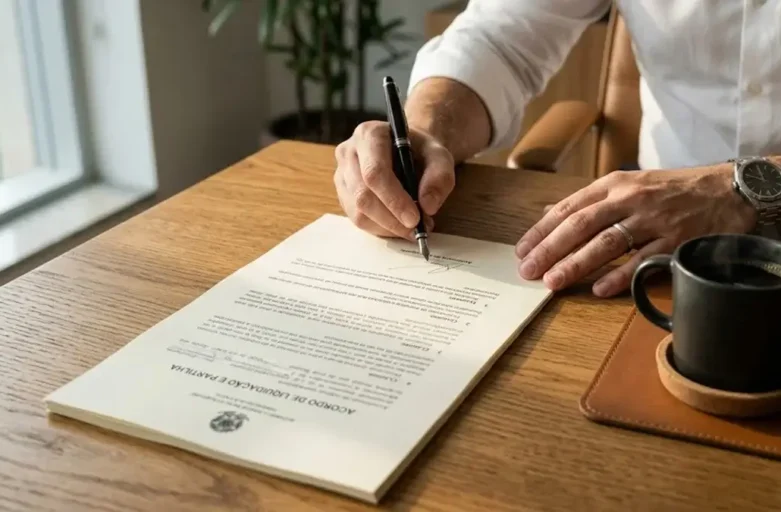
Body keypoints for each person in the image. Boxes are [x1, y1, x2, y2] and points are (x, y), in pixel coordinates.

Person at [333, 1, 781, 297]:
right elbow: (500, 40)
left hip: (667, 220)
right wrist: (427, 131)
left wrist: (740, 188)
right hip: (655, 251)